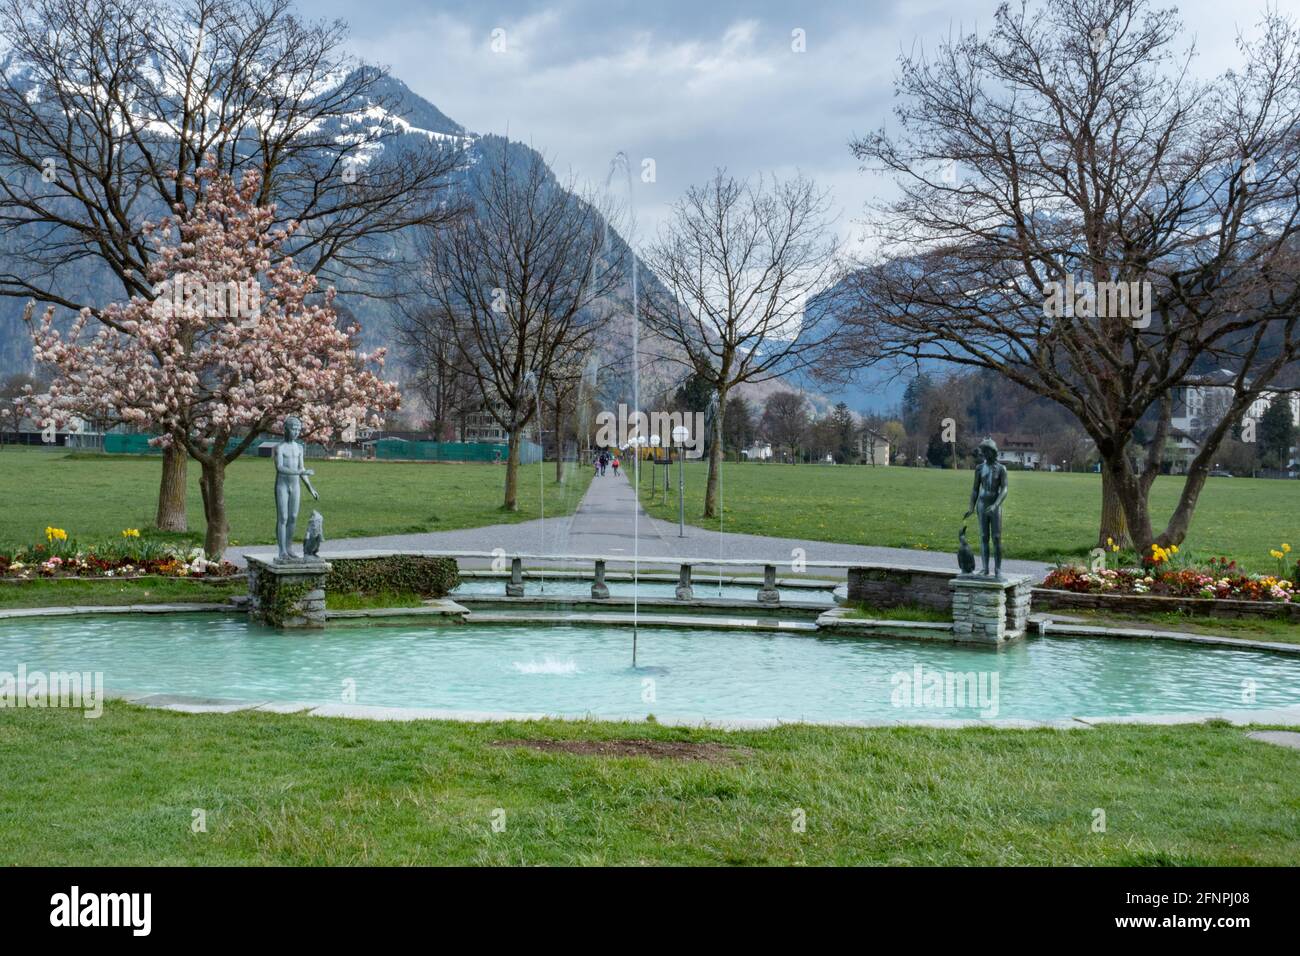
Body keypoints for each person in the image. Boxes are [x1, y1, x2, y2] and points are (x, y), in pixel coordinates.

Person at [274, 416, 319, 561]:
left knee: (293, 517)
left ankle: (289, 548)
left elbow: (301, 468)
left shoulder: (299, 447)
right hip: (282, 486)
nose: (296, 432)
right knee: (283, 518)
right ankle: (281, 551)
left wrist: (310, 488)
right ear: (286, 429)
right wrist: (300, 472)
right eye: (294, 429)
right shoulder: (279, 448)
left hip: (295, 486)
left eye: (299, 429)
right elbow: (280, 468)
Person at [963, 437, 1008, 576]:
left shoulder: (1001, 469)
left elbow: (1004, 489)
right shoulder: (979, 468)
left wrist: (996, 505)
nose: (984, 454)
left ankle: (998, 569)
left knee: (996, 537)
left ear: (993, 452)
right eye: (983, 451)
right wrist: (971, 506)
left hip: (995, 506)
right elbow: (975, 489)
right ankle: (985, 568)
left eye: (986, 451)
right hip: (982, 505)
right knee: (983, 536)